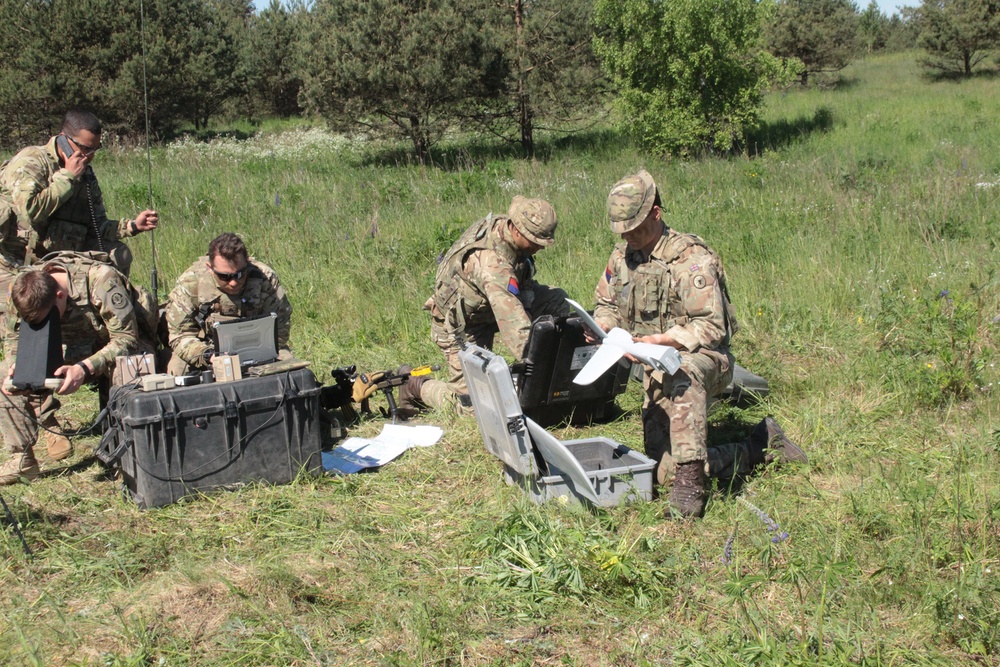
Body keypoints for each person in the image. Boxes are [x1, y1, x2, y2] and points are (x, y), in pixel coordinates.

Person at [591, 170, 806, 518]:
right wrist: (603, 326)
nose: (629, 237)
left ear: (656, 214)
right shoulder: (622, 258)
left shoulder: (690, 259)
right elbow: (607, 304)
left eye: (635, 228)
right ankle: (760, 445)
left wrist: (664, 340)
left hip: (704, 359)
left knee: (683, 370)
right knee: (661, 473)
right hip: (653, 366)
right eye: (623, 231)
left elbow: (711, 325)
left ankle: (691, 489)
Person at [400, 196, 570, 414]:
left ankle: (554, 364)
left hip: (487, 310)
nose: (540, 247)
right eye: (535, 240)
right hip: (461, 328)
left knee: (556, 300)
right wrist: (541, 369)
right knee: (475, 408)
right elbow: (515, 327)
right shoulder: (492, 265)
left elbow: (518, 286)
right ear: (517, 230)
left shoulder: (509, 226)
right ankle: (415, 386)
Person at [0, 251, 158, 485]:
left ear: (60, 295)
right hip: (68, 346)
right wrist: (18, 366)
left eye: (47, 317)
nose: (41, 324)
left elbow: (126, 338)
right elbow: (13, 337)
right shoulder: (22, 288)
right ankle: (21, 457)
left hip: (112, 342)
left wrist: (84, 368)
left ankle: (130, 451)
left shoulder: (101, 281)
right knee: (5, 376)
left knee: (131, 366)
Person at [0, 110, 159, 284]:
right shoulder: (31, 161)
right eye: (85, 148)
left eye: (94, 149)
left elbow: (97, 227)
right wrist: (67, 177)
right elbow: (32, 210)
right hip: (19, 260)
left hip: (63, 255)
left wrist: (133, 225)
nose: (90, 156)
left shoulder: (85, 174)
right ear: (63, 139)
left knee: (118, 253)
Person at [165, 232, 292, 375]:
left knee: (289, 370)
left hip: (259, 348)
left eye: (239, 274)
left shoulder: (265, 278)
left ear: (247, 262)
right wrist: (208, 355)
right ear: (210, 268)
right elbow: (180, 335)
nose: (233, 282)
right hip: (207, 350)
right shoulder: (190, 283)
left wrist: (256, 354)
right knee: (178, 371)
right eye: (224, 276)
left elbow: (281, 326)